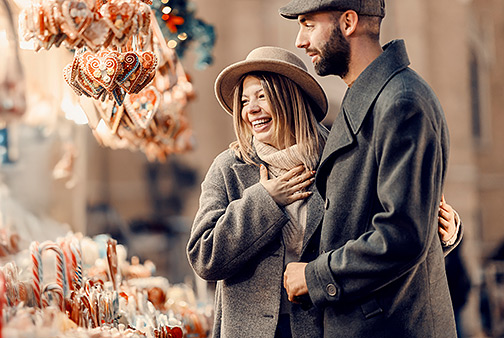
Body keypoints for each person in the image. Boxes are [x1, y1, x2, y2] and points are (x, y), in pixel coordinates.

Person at [187, 46, 462, 338]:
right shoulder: (229, 167)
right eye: (244, 101)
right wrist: (266, 200)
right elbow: (204, 257)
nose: (250, 109)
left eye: (262, 96)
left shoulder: (341, 159)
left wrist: (442, 237)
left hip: (325, 328)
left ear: (291, 98)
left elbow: (379, 240)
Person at [279, 0, 457, 336]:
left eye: (308, 24)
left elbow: (402, 235)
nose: (300, 41)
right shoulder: (370, 95)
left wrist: (315, 276)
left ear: (348, 22)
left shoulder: (401, 102)